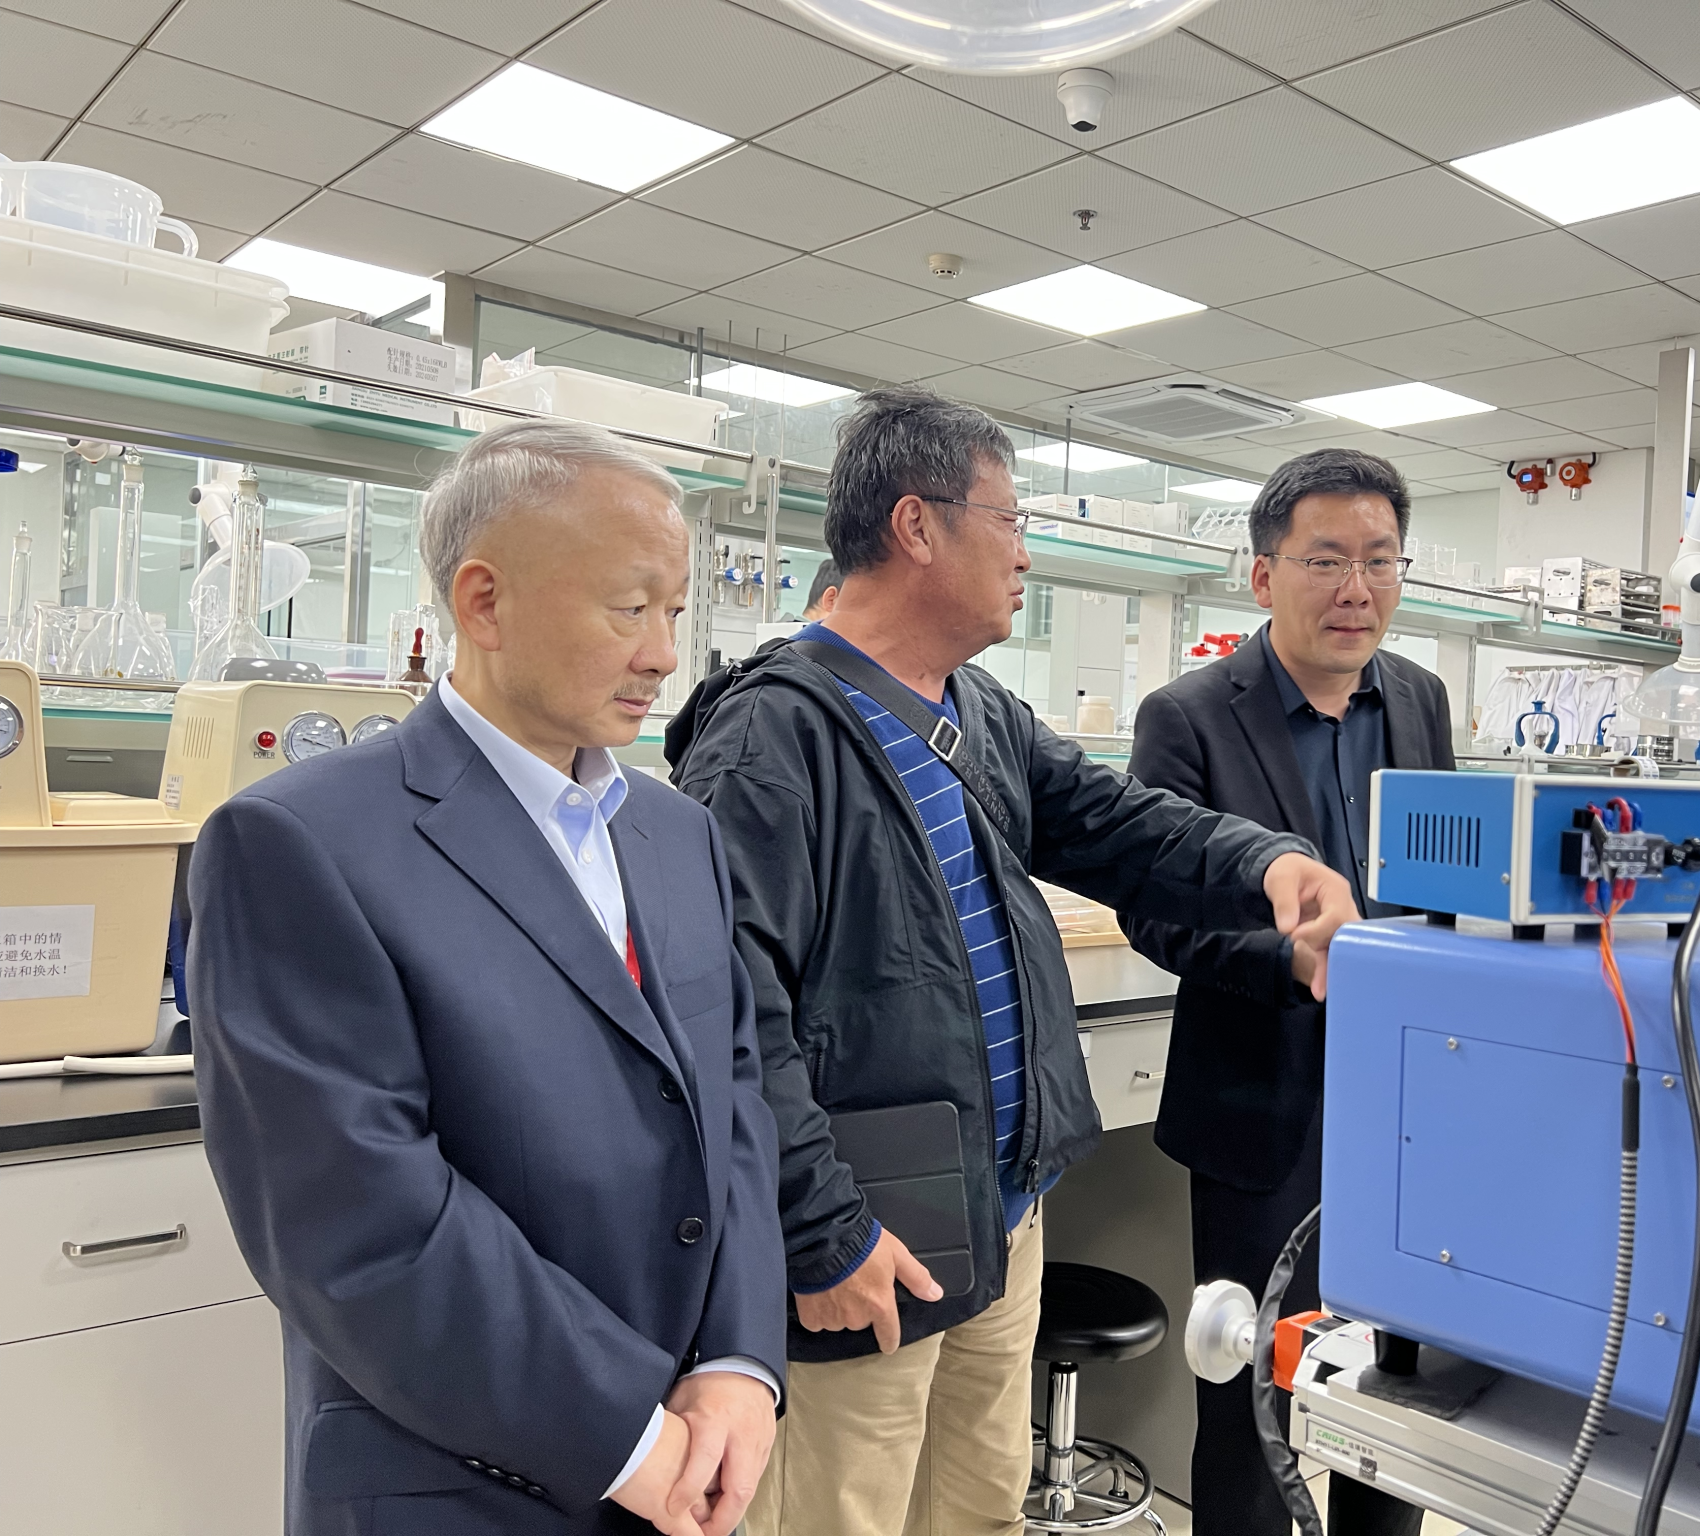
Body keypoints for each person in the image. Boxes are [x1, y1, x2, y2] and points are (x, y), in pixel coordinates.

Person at [669, 386, 1358, 1536]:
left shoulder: (976, 712)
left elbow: (1117, 824)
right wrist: (818, 1231)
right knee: (845, 1515)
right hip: (866, 1242)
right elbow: (732, 1019)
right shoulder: (770, 739)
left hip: (999, 1225)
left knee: (979, 1509)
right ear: (916, 524)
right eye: (1010, 520)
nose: (1024, 553)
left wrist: (1265, 862)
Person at [190, 420, 785, 1536]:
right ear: (484, 602)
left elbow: (733, 1100)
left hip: (693, 1451)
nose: (664, 654)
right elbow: (358, 1224)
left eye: (676, 611)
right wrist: (627, 1436)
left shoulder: (676, 835)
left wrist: (739, 1361)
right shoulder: (301, 842)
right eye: (630, 607)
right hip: (460, 1479)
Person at [1122, 448, 1454, 1536]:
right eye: (1326, 559)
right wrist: (1290, 963)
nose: (1356, 588)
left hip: (1404, 1109)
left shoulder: (1419, 700)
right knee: (1254, 1393)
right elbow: (1155, 914)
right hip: (1260, 1107)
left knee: (1400, 1389)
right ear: (1264, 575)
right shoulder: (1187, 716)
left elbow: (1444, 886)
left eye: (1379, 559)